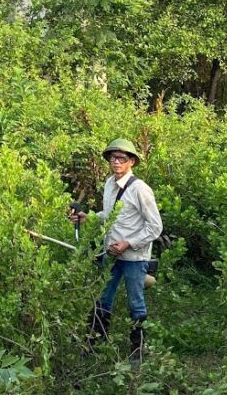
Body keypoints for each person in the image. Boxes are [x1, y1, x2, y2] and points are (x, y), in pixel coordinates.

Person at [67, 138, 162, 362]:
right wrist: (87, 218)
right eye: (113, 157)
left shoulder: (140, 189)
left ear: (131, 162)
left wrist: (128, 243)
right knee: (102, 299)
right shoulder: (110, 184)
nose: (116, 162)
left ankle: (136, 353)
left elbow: (155, 227)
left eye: (122, 158)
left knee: (135, 302)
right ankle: (94, 346)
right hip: (110, 254)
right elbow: (108, 216)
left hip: (134, 258)